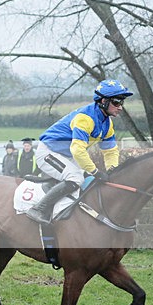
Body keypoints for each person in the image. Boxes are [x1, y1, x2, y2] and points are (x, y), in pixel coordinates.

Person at [25, 79, 132, 224]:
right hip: (48, 152)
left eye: (121, 103)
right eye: (117, 102)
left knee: (89, 180)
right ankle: (39, 209)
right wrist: (95, 171)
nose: (120, 107)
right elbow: (77, 150)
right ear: (103, 101)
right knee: (76, 178)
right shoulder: (85, 118)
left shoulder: (107, 123)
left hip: (66, 155)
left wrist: (112, 171)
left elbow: (111, 151)